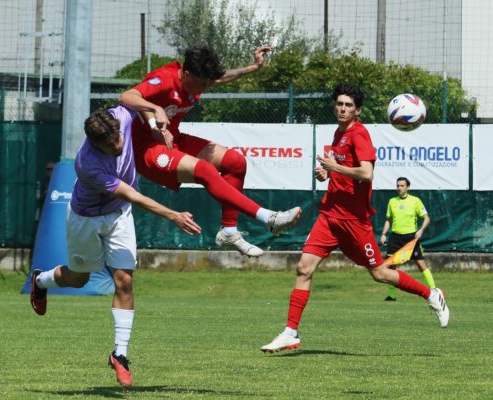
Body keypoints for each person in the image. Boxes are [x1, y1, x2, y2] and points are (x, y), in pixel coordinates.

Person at [260, 83, 450, 354]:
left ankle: (432, 295)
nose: (342, 108)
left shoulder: (359, 134)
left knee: (380, 273)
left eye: (348, 105)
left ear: (357, 110)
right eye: (339, 103)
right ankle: (291, 332)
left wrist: (334, 167)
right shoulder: (338, 133)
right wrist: (327, 175)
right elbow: (341, 172)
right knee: (304, 268)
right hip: (329, 216)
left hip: (354, 222)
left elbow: (366, 173)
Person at [29, 106, 202, 387]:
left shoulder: (119, 117)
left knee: (124, 281)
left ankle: (120, 355)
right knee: (79, 277)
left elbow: (134, 97)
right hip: (86, 219)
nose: (118, 145)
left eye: (118, 138)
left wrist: (155, 113)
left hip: (119, 215)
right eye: (109, 145)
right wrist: (173, 215)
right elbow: (132, 194)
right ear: (95, 145)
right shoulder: (88, 164)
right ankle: (41, 280)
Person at [119, 45, 301, 258]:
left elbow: (221, 78)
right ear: (186, 74)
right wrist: (155, 109)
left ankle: (229, 231)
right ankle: (268, 218)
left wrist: (254, 67)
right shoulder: (165, 79)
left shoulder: (196, 79)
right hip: (148, 150)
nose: (205, 88)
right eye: (202, 84)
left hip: (173, 139)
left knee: (236, 162)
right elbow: (126, 96)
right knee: (205, 170)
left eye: (208, 83)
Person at [380, 177, 435, 301]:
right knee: (390, 267)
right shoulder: (392, 201)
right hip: (395, 238)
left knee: (421, 264)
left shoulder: (415, 201)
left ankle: (434, 291)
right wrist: (383, 234)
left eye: (402, 185)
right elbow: (389, 220)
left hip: (411, 238)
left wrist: (420, 230)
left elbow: (427, 218)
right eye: (398, 185)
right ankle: (392, 295)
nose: (399, 188)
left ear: (408, 187)